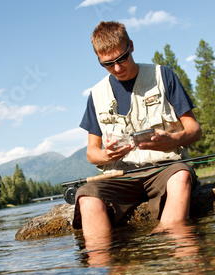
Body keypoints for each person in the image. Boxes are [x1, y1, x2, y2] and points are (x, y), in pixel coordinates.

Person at [74, 21, 202, 247]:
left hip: (165, 168)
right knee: (86, 196)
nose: (117, 68)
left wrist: (172, 140)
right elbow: (92, 153)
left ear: (131, 46)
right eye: (107, 64)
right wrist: (108, 155)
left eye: (121, 58)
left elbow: (194, 129)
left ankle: (171, 247)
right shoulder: (96, 95)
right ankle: (103, 271)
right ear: (99, 60)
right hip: (120, 176)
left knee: (181, 175)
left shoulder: (163, 76)